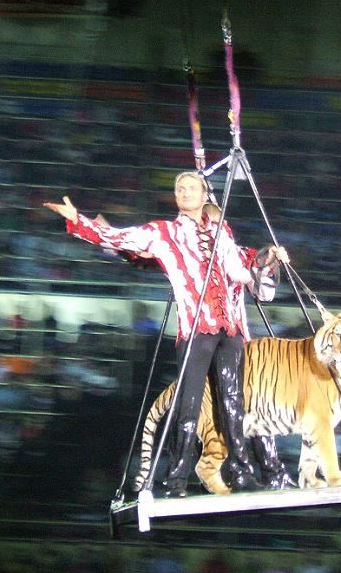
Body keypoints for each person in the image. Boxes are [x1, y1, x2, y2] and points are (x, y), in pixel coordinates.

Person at [44, 171, 289, 497]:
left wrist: (270, 258)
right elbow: (118, 239)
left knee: (234, 403)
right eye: (180, 189)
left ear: (205, 196)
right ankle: (176, 480)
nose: (186, 193)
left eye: (192, 188)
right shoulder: (163, 232)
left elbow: (244, 269)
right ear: (176, 197)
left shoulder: (222, 233)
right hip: (196, 330)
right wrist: (79, 222)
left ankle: (241, 472)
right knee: (188, 406)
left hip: (230, 330)